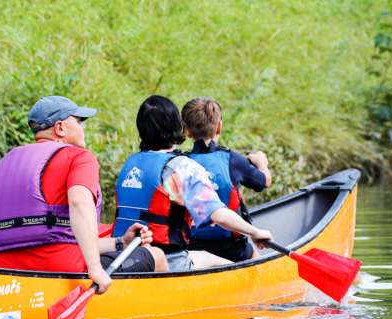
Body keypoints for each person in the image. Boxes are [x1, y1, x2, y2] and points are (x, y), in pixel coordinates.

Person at [0, 95, 167, 293]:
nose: (83, 128)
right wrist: (95, 268)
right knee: (156, 255)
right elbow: (80, 202)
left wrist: (120, 242)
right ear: (60, 127)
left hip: (4, 275)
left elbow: (56, 237)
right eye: (79, 121)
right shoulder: (79, 157)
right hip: (60, 271)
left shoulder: (6, 162)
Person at [111, 95, 273, 271]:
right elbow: (218, 215)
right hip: (167, 261)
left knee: (205, 256)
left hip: (124, 256)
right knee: (226, 264)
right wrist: (255, 232)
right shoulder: (182, 166)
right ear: (178, 127)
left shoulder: (131, 162)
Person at [181, 97, 272, 261]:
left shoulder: (179, 163)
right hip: (232, 249)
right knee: (254, 256)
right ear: (219, 126)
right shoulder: (232, 159)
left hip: (192, 248)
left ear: (186, 131)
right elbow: (264, 181)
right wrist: (261, 162)